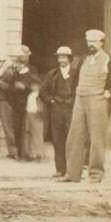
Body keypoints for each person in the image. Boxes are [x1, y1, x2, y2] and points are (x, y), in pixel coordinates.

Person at [61, 29, 111, 184]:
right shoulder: (83, 60)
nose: (91, 44)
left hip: (98, 101)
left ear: (102, 42)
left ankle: (95, 175)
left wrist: (110, 92)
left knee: (97, 139)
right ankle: (72, 175)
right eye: (89, 41)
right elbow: (75, 79)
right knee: (74, 137)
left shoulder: (109, 60)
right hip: (80, 101)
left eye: (94, 41)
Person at [0, 46, 39, 161]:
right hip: (16, 104)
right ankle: (19, 153)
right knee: (17, 128)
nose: (18, 64)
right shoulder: (14, 73)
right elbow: (11, 87)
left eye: (24, 55)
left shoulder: (32, 70)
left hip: (28, 104)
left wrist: (25, 87)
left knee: (27, 129)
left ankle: (29, 153)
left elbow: (35, 85)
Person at [38, 46, 78, 177]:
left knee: (72, 139)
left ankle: (72, 170)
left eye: (64, 57)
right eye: (59, 57)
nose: (61, 60)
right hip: (57, 110)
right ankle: (60, 169)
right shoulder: (52, 74)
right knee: (58, 139)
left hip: (72, 109)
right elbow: (42, 91)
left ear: (70, 58)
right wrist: (51, 100)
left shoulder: (77, 73)